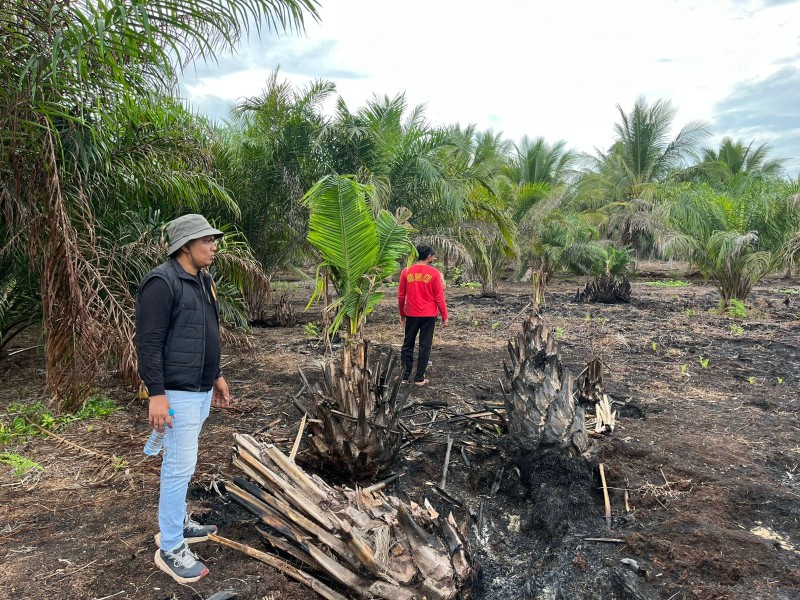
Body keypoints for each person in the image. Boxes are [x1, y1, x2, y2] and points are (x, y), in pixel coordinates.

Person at [136, 214, 231, 583]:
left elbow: (207, 333)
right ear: (185, 246)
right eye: (206, 240)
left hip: (200, 386)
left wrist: (217, 375)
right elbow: (148, 342)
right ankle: (171, 546)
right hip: (176, 391)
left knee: (183, 464)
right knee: (178, 468)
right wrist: (156, 394)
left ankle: (176, 524)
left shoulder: (202, 281)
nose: (214, 246)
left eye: (213, 239)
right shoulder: (162, 282)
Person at [398, 244, 449, 386]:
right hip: (429, 315)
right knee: (425, 345)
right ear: (428, 257)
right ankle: (419, 378)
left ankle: (404, 376)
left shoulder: (406, 271)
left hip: (411, 314)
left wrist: (402, 312)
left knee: (407, 344)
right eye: (432, 255)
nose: (433, 257)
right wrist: (445, 316)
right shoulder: (434, 274)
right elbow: (439, 297)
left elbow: (401, 296)